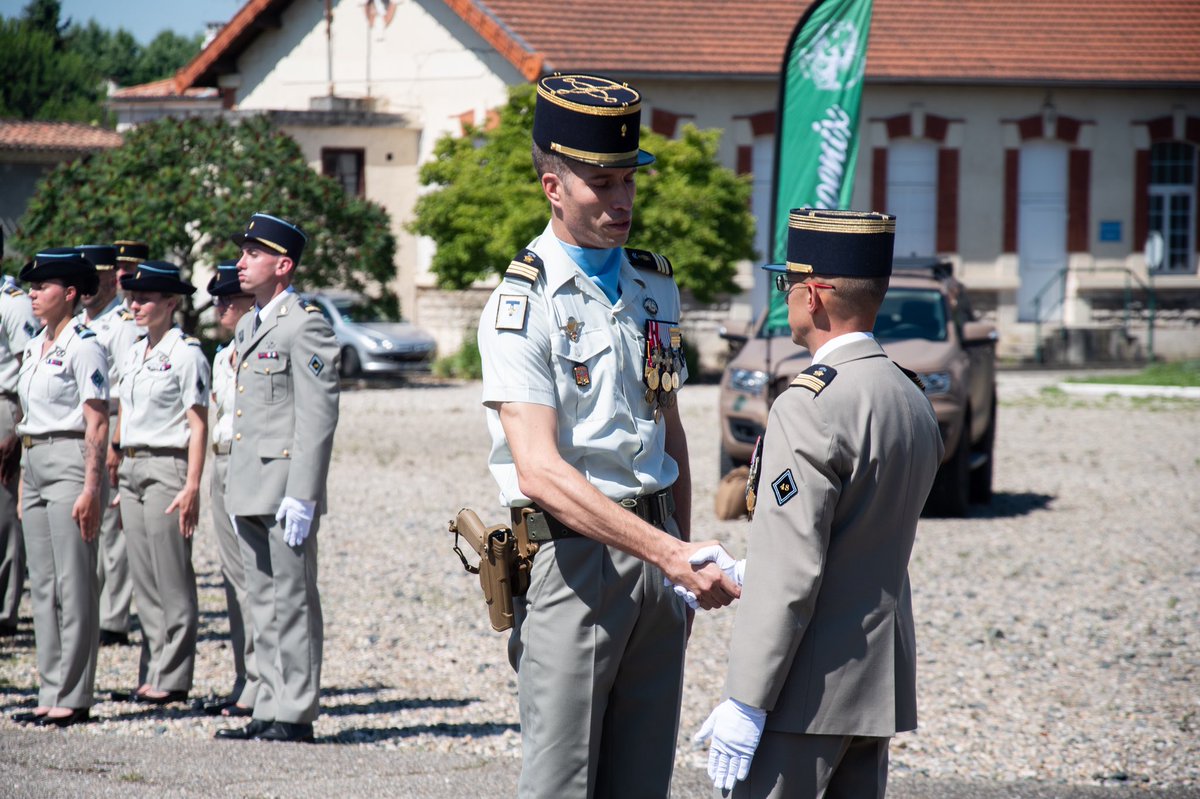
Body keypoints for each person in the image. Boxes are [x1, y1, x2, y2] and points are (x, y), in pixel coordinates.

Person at [476, 73, 739, 799]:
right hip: (576, 563)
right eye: (601, 183)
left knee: (641, 781)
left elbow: (671, 433)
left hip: (658, 562)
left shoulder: (654, 285)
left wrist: (677, 567)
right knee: (563, 784)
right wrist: (675, 555)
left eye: (628, 181)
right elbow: (540, 471)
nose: (621, 201)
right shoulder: (520, 303)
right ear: (553, 186)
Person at [693, 209, 945, 798]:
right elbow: (859, 538)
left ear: (814, 294)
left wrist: (746, 700)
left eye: (788, 284)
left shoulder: (809, 403)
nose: (785, 298)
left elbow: (793, 569)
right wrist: (747, 570)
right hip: (872, 684)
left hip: (803, 690)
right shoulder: (908, 394)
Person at [215, 213, 339, 744]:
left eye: (253, 255)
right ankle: (266, 702)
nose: (241, 263)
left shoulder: (304, 323)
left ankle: (296, 709)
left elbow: (317, 414)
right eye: (243, 254)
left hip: (285, 486)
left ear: (282, 266)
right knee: (259, 601)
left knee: (291, 599)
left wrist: (304, 494)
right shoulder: (249, 325)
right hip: (247, 482)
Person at [10, 248, 108, 727]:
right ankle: (50, 688)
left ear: (69, 294)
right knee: (44, 585)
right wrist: (27, 479)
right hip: (37, 459)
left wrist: (91, 488)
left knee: (74, 581)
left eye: (42, 287)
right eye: (32, 285)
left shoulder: (84, 344)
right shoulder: (34, 347)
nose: (33, 292)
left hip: (72, 460)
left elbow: (96, 423)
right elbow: (29, 420)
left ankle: (75, 692)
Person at [108, 261, 209, 706]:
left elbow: (198, 423)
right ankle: (151, 668)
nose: (135, 305)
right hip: (132, 467)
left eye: (145, 298)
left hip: (169, 465)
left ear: (171, 302)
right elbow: (125, 411)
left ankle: (174, 675)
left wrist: (192, 485)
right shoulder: (134, 352)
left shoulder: (187, 352)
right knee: (144, 578)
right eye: (133, 297)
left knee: (171, 575)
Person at [199, 261, 259, 718]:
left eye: (227, 300)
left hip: (250, 467)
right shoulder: (223, 356)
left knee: (256, 580)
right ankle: (245, 675)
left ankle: (261, 681)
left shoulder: (262, 350)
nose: (220, 307)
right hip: (222, 464)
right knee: (232, 578)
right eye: (217, 300)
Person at [75, 244, 140, 648]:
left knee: (113, 529)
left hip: (114, 419)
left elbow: (130, 387)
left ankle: (113, 617)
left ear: (112, 277)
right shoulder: (82, 321)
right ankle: (91, 605)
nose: (89, 285)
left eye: (96, 276)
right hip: (85, 421)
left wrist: (118, 442)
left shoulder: (123, 323)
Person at [0, 273, 37, 637]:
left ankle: (5, 608)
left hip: (5, 403)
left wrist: (18, 426)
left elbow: (29, 367)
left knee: (6, 510)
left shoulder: (13, 302)